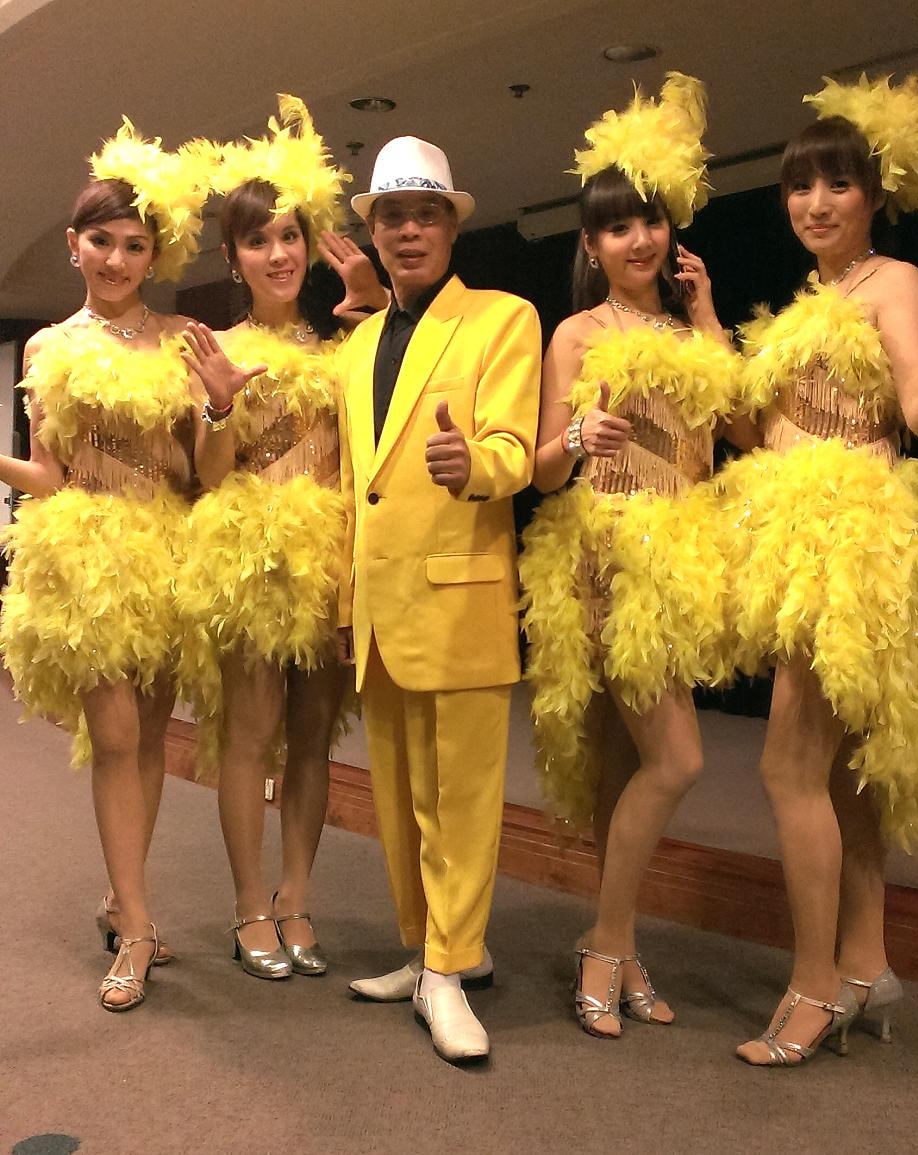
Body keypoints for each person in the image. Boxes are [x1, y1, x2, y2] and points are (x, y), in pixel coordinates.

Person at [715, 74, 918, 1066]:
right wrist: (703, 325)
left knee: (788, 767)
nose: (815, 202)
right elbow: (757, 430)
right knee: (838, 775)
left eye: (837, 184)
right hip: (792, 533)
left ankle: (814, 984)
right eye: (800, 186)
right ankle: (868, 964)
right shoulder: (811, 299)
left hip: (851, 542)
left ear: (876, 194)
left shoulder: (894, 282)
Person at [521, 73, 756, 1037]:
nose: (639, 240)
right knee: (679, 760)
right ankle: (607, 943)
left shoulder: (690, 331)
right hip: (611, 556)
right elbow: (541, 471)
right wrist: (580, 438)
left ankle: (618, 946)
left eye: (651, 220)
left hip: (683, 557)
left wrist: (707, 315)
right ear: (591, 244)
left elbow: (744, 426)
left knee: (628, 769)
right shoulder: (577, 332)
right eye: (617, 227)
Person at [336, 135, 541, 1062]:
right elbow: (358, 486)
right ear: (374, 232)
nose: (409, 230)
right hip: (381, 610)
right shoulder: (357, 346)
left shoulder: (502, 318)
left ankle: (451, 971)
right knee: (397, 799)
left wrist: (475, 464)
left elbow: (512, 446)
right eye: (393, 215)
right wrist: (347, 602)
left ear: (452, 227)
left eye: (426, 214)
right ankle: (428, 949)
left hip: (460, 595)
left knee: (459, 797)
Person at [0, 120, 209, 1010]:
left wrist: (221, 410)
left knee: (151, 737)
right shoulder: (48, 347)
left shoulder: (186, 338)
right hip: (86, 555)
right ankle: (139, 926)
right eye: (102, 241)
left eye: (134, 245)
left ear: (154, 254)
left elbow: (204, 471)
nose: (117, 260)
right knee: (116, 736)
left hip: (170, 551)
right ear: (73, 245)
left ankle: (124, 897)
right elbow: (47, 472)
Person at [177, 96, 380, 980]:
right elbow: (209, 474)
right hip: (251, 563)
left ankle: (298, 896)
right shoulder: (213, 347)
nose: (279, 253)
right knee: (250, 736)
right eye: (258, 240)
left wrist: (372, 305)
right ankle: (249, 904)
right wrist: (221, 403)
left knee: (313, 736)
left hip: (330, 559)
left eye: (290, 235)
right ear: (233, 258)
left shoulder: (344, 348)